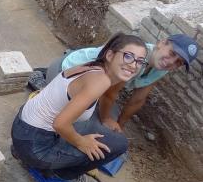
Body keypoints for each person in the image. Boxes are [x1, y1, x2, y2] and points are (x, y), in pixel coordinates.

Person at [11, 33, 148, 182]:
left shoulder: (94, 67)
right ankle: (63, 174)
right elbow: (60, 124)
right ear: (110, 55)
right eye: (128, 56)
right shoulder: (100, 81)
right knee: (118, 144)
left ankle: (24, 153)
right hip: (34, 145)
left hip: (23, 127)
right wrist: (81, 142)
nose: (133, 65)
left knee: (95, 129)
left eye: (139, 61)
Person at [45, 34, 199, 132]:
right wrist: (106, 119)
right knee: (87, 127)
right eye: (172, 53)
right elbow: (109, 94)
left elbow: (139, 99)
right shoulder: (137, 60)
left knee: (107, 128)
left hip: (90, 84)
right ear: (162, 43)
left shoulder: (161, 67)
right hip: (63, 72)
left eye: (178, 62)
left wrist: (120, 125)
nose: (170, 62)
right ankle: (43, 84)